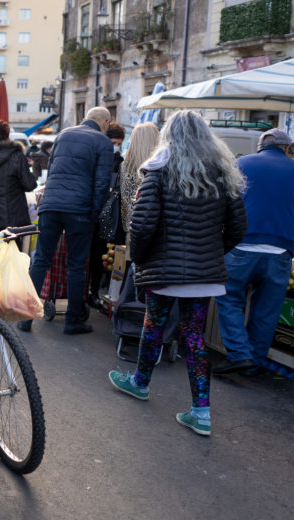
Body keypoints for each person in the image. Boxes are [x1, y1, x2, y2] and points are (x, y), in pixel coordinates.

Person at [107, 110, 247, 437]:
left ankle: (140, 382)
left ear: (168, 135)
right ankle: (201, 412)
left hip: (163, 272)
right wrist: (210, 255)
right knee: (195, 339)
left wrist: (140, 260)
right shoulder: (222, 173)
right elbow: (239, 228)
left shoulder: (158, 170)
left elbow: (141, 226)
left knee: (152, 325)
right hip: (204, 275)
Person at [214, 129, 294, 376]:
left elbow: (225, 204)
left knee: (228, 298)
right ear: (287, 149)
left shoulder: (242, 163)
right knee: (266, 310)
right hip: (280, 250)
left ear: (260, 147)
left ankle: (240, 354)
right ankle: (253, 363)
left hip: (242, 246)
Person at [20, 107, 114, 335]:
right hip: (79, 209)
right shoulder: (103, 142)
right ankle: (73, 320)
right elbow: (102, 183)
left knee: (41, 259)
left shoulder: (62, 135)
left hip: (51, 205)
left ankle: (26, 317)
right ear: (105, 122)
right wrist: (92, 213)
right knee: (77, 266)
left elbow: (52, 172)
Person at [87, 122, 126, 309]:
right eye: (113, 142)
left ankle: (93, 292)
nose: (115, 146)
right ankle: (86, 292)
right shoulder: (95, 158)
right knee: (89, 255)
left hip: (108, 216)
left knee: (99, 256)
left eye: (118, 143)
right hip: (92, 212)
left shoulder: (120, 163)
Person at [119, 122, 161, 252]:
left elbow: (125, 201)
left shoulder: (125, 166)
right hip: (158, 228)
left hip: (133, 228)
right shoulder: (160, 167)